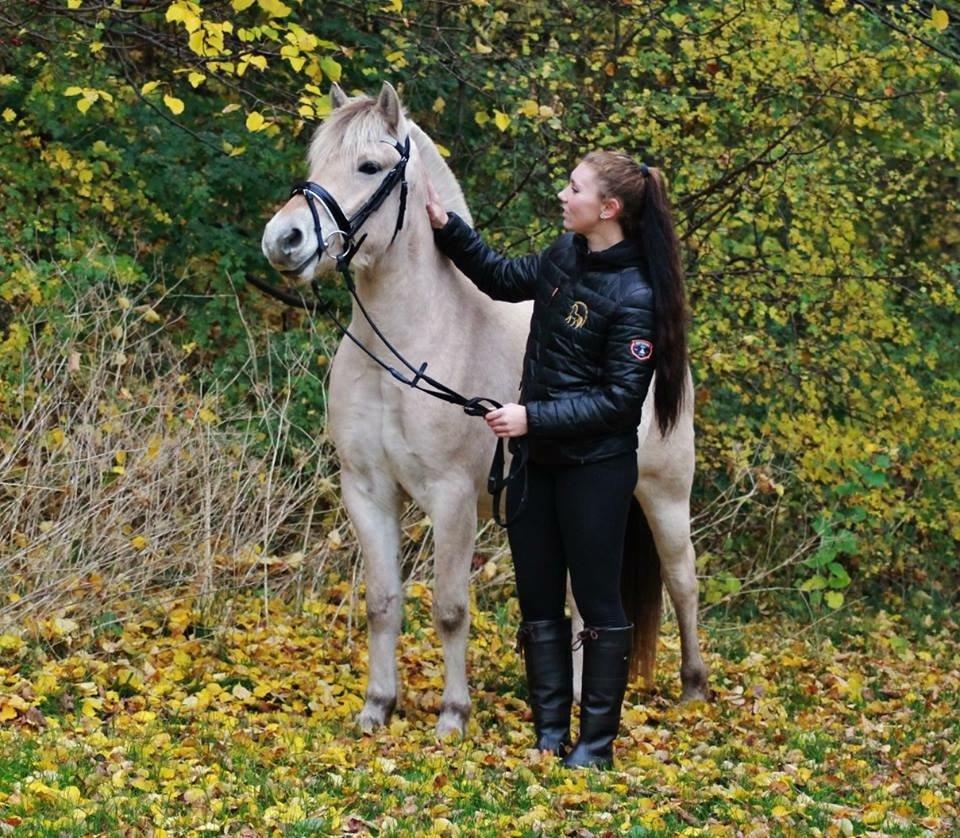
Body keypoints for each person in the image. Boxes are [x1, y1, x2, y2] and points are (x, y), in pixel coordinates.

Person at [425, 150, 689, 769]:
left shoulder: (638, 295)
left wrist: (531, 418)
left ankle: (595, 744)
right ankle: (549, 734)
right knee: (538, 601)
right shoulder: (562, 256)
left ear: (609, 208)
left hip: (595, 469)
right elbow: (499, 277)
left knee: (597, 603)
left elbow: (620, 403)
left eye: (575, 188)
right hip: (536, 464)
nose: (563, 196)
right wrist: (448, 228)